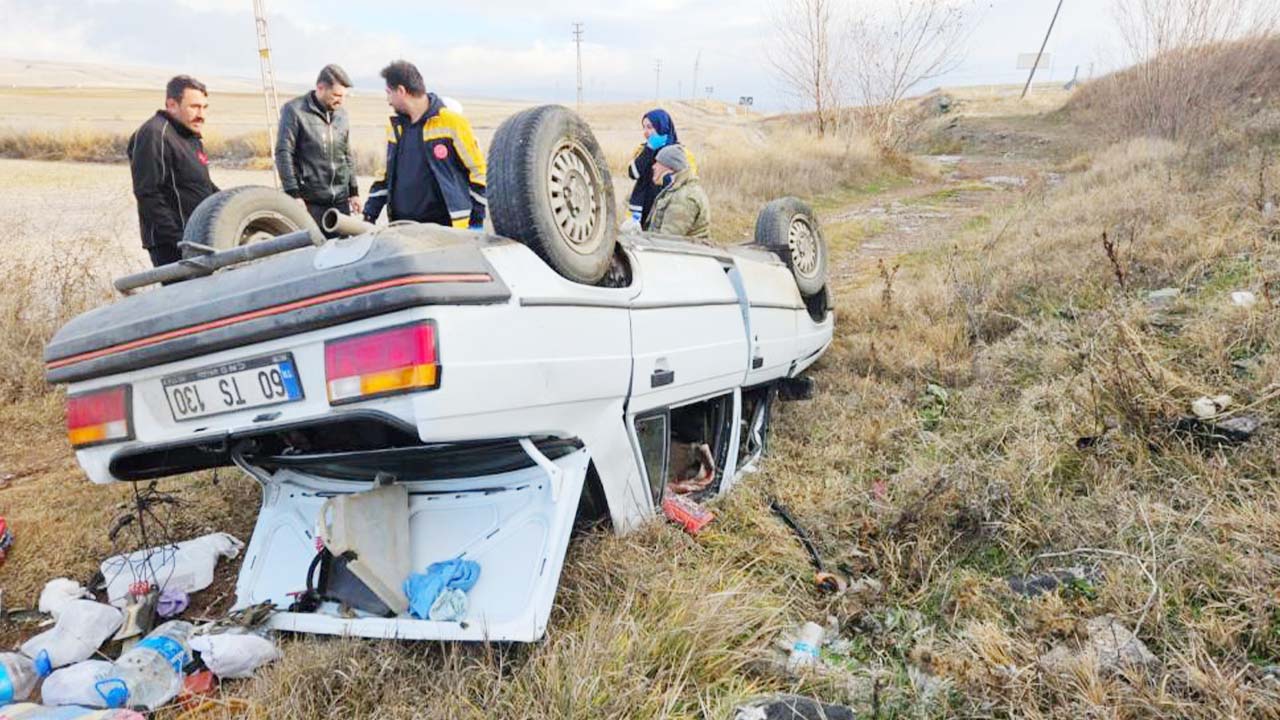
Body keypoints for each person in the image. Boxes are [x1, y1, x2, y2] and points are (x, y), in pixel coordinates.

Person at [363, 60, 486, 230]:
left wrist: (476, 220)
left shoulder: (452, 123)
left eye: (389, 93)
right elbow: (385, 175)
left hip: (447, 230)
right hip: (403, 228)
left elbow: (478, 171)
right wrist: (369, 215)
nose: (388, 100)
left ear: (401, 91)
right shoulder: (395, 127)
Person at [127, 75, 218, 268]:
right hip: (172, 245)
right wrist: (179, 239)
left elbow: (202, 185)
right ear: (172, 105)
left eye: (204, 107)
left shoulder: (190, 137)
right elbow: (147, 192)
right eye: (194, 107)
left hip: (199, 238)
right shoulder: (154, 133)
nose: (201, 114)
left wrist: (233, 202)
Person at [275, 63, 361, 235]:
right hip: (309, 203)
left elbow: (346, 155)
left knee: (344, 248)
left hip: (340, 202)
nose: (340, 101)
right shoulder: (294, 110)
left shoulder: (342, 115)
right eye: (336, 95)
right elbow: (284, 153)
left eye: (344, 96)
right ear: (320, 88)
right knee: (314, 248)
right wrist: (293, 194)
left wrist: (354, 192)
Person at [626, 108, 696, 229]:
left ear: (662, 127)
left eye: (650, 127)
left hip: (666, 210)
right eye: (644, 127)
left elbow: (687, 181)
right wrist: (649, 150)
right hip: (639, 212)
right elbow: (633, 173)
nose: (646, 132)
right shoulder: (642, 150)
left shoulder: (681, 153)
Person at [648, 144, 710, 239]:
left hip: (679, 248)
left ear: (670, 167)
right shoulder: (675, 190)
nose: (653, 166)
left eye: (658, 162)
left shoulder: (684, 198)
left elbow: (668, 240)